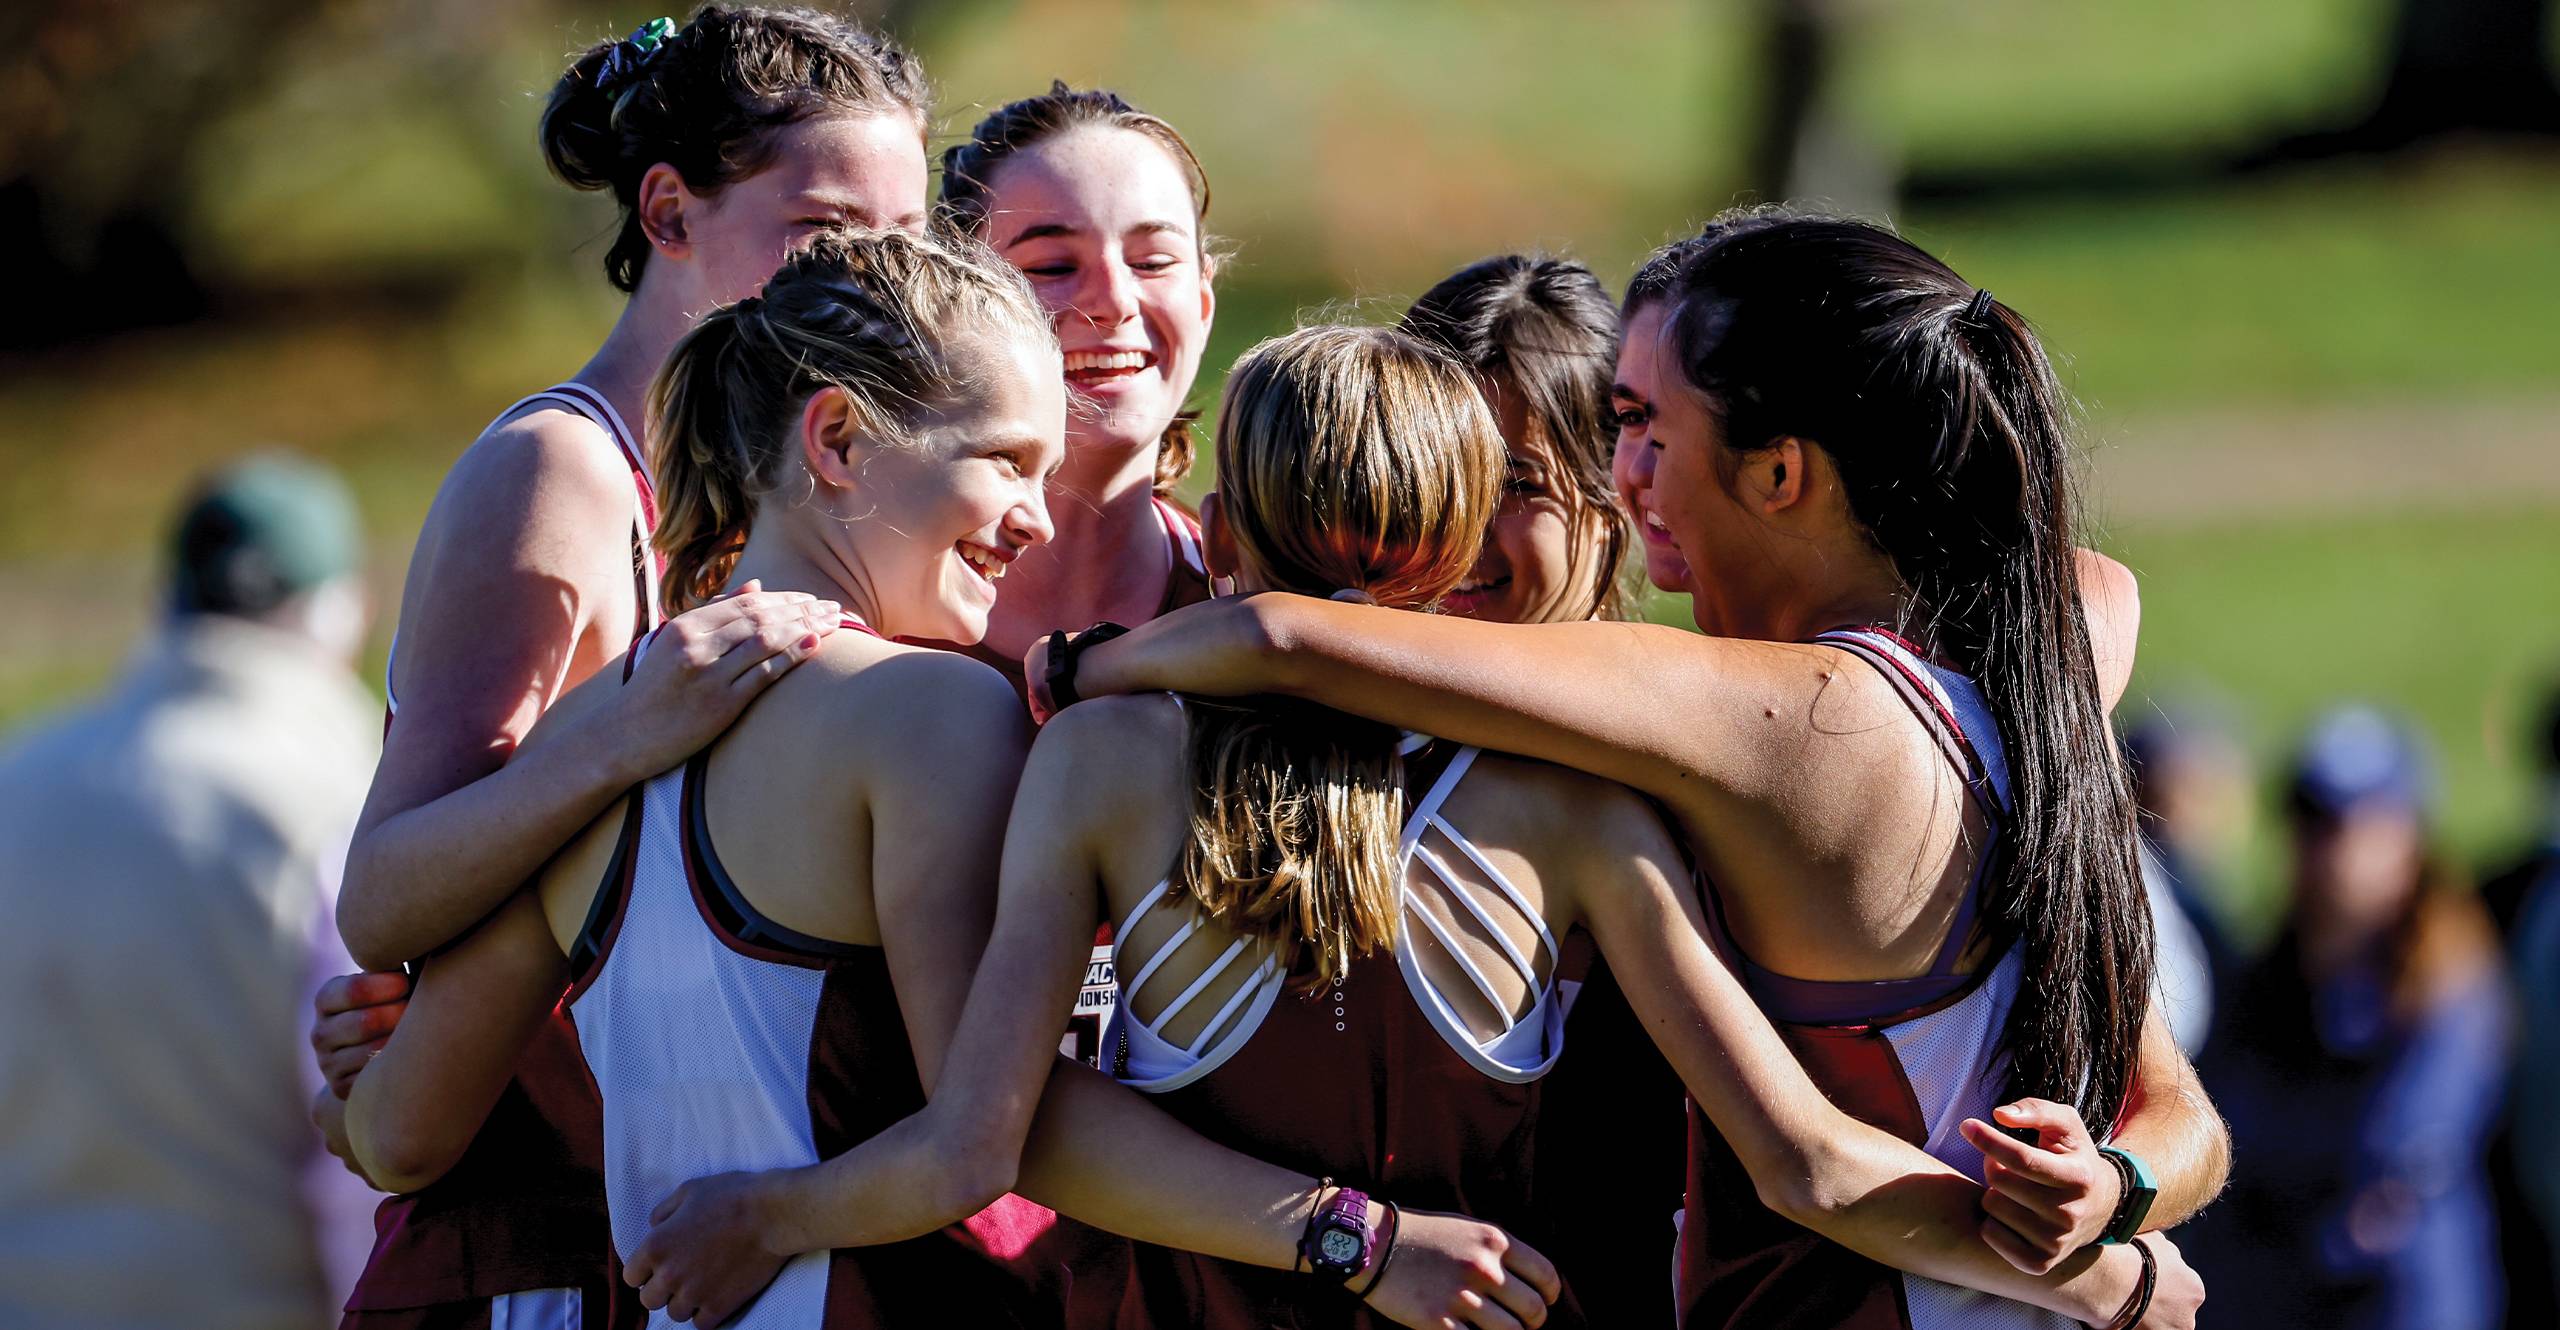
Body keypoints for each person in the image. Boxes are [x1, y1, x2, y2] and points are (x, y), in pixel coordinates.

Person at [330, 232, 1569, 1330]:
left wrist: (339, 1093)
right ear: (837, 439)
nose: (1037, 518)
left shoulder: (601, 728)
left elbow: (397, 1134)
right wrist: (1354, 1233)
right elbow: (989, 1136)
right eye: (1007, 461)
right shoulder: (930, 710)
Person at [1038, 210, 2232, 1328]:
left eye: (1638, 431)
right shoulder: (2009, 681)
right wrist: (2118, 1223)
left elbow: (1290, 639)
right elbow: (2178, 1116)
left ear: (1773, 475)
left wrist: (1080, 665)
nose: (1431, 541)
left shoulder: (1758, 719)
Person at [306, 9, 930, 1325]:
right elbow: (386, 892)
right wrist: (629, 728)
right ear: (668, 209)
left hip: (712, 1232)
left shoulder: (841, 476)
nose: (868, 283)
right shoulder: (567, 471)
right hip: (535, 1243)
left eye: (904, 239)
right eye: (822, 233)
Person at [0, 457, 381, 1329]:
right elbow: (371, 1144)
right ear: (340, 609)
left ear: (164, 600)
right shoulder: (348, 808)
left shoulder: (17, 781)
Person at [1398, 253, 1688, 1324]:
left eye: (1516, 485)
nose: (1463, 537)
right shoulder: (1328, 760)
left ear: (1614, 486)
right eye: (1436, 479)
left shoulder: (1692, 755)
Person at [2195, 706, 2511, 1330]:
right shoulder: (2264, 981)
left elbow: (2397, 1148)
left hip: (2396, 1298)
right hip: (2268, 1294)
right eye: (2314, 821)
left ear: (2410, 836)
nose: (2334, 849)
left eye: (2359, 824)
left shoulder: (2448, 983)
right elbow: (2223, 1127)